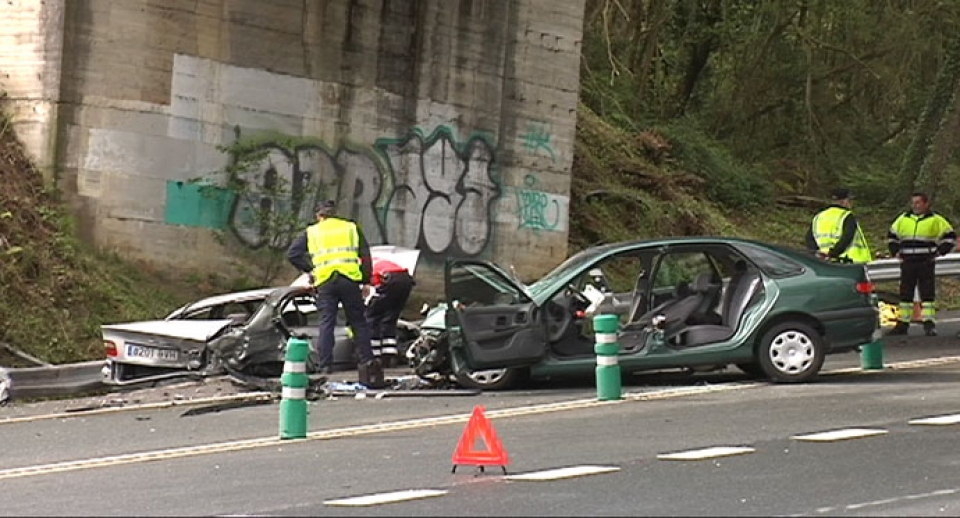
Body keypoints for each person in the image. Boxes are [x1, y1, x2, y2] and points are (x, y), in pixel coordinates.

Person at [287, 199, 385, 387]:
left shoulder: (312, 231)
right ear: (334, 212)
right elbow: (365, 255)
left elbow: (293, 254)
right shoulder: (350, 228)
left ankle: (325, 365)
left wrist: (311, 270)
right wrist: (365, 280)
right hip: (349, 280)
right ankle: (367, 361)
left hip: (326, 281)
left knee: (327, 322)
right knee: (358, 321)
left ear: (319, 215)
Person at [886, 192, 957, 336]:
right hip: (907, 261)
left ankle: (929, 323)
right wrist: (895, 251)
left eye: (918, 203)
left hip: (925, 261)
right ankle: (903, 324)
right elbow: (891, 236)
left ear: (926, 204)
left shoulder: (935, 220)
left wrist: (939, 252)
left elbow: (950, 237)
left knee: (927, 293)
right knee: (905, 293)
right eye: (913, 203)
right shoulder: (903, 219)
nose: (915, 205)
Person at [365, 256, 415, 366]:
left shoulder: (362, 267)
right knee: (390, 318)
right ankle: (389, 356)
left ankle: (375, 356)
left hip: (389, 278)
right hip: (405, 280)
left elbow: (372, 288)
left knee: (373, 317)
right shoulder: (376, 260)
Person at [806, 188, 872, 264]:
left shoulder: (818, 217)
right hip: (849, 262)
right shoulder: (847, 216)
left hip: (824, 263)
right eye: (849, 200)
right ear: (844, 201)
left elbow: (809, 238)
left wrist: (817, 254)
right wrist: (832, 254)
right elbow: (847, 237)